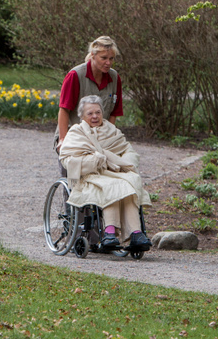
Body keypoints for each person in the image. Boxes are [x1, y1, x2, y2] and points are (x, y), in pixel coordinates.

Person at [59, 95, 152, 252]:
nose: (95, 116)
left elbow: (129, 151)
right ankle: (110, 231)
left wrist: (123, 163)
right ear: (82, 116)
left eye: (98, 112)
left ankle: (136, 233)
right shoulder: (76, 133)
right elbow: (68, 159)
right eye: (90, 113)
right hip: (91, 176)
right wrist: (96, 160)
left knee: (129, 182)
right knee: (113, 186)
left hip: (115, 171)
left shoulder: (111, 130)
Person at [55, 36, 124, 153]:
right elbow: (64, 110)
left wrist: (109, 137)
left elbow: (113, 113)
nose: (108, 63)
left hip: (101, 139)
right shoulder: (75, 76)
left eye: (111, 59)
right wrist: (63, 139)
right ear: (93, 55)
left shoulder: (114, 78)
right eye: (104, 58)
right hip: (74, 137)